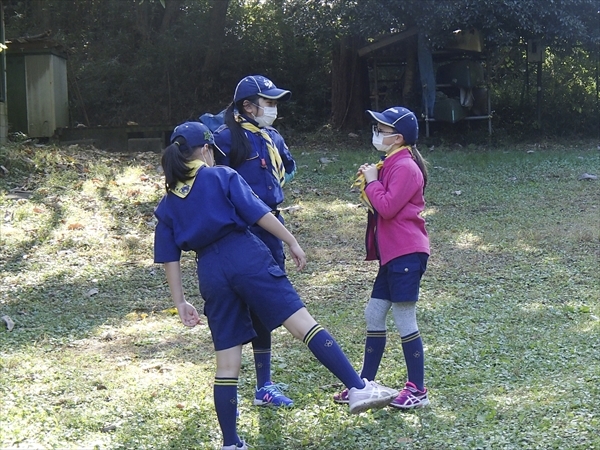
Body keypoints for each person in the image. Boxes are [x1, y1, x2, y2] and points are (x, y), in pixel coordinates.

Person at [153, 122, 399, 450]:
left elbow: (170, 257)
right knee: (302, 324)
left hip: (209, 271)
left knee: (226, 364)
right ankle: (358, 387)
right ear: (206, 150)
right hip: (245, 255)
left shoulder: (168, 203)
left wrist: (180, 301)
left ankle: (230, 443)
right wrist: (291, 240)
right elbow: (259, 214)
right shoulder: (220, 176)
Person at [333, 106, 431, 410]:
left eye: (382, 129)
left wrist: (373, 180)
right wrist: (371, 178)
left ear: (397, 137)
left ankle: (418, 389)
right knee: (374, 314)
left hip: (407, 253)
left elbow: (387, 207)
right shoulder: (390, 162)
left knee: (404, 318)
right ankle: (365, 384)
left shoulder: (406, 167)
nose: (377, 132)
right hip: (392, 256)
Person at [212, 75, 296, 408]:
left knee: (266, 304)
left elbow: (287, 170)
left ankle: (264, 384)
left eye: (275, 102)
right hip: (239, 231)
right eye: (268, 102)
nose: (273, 109)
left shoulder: (273, 137)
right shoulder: (223, 140)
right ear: (247, 106)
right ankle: (228, 379)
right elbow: (212, 182)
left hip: (271, 226)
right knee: (236, 308)